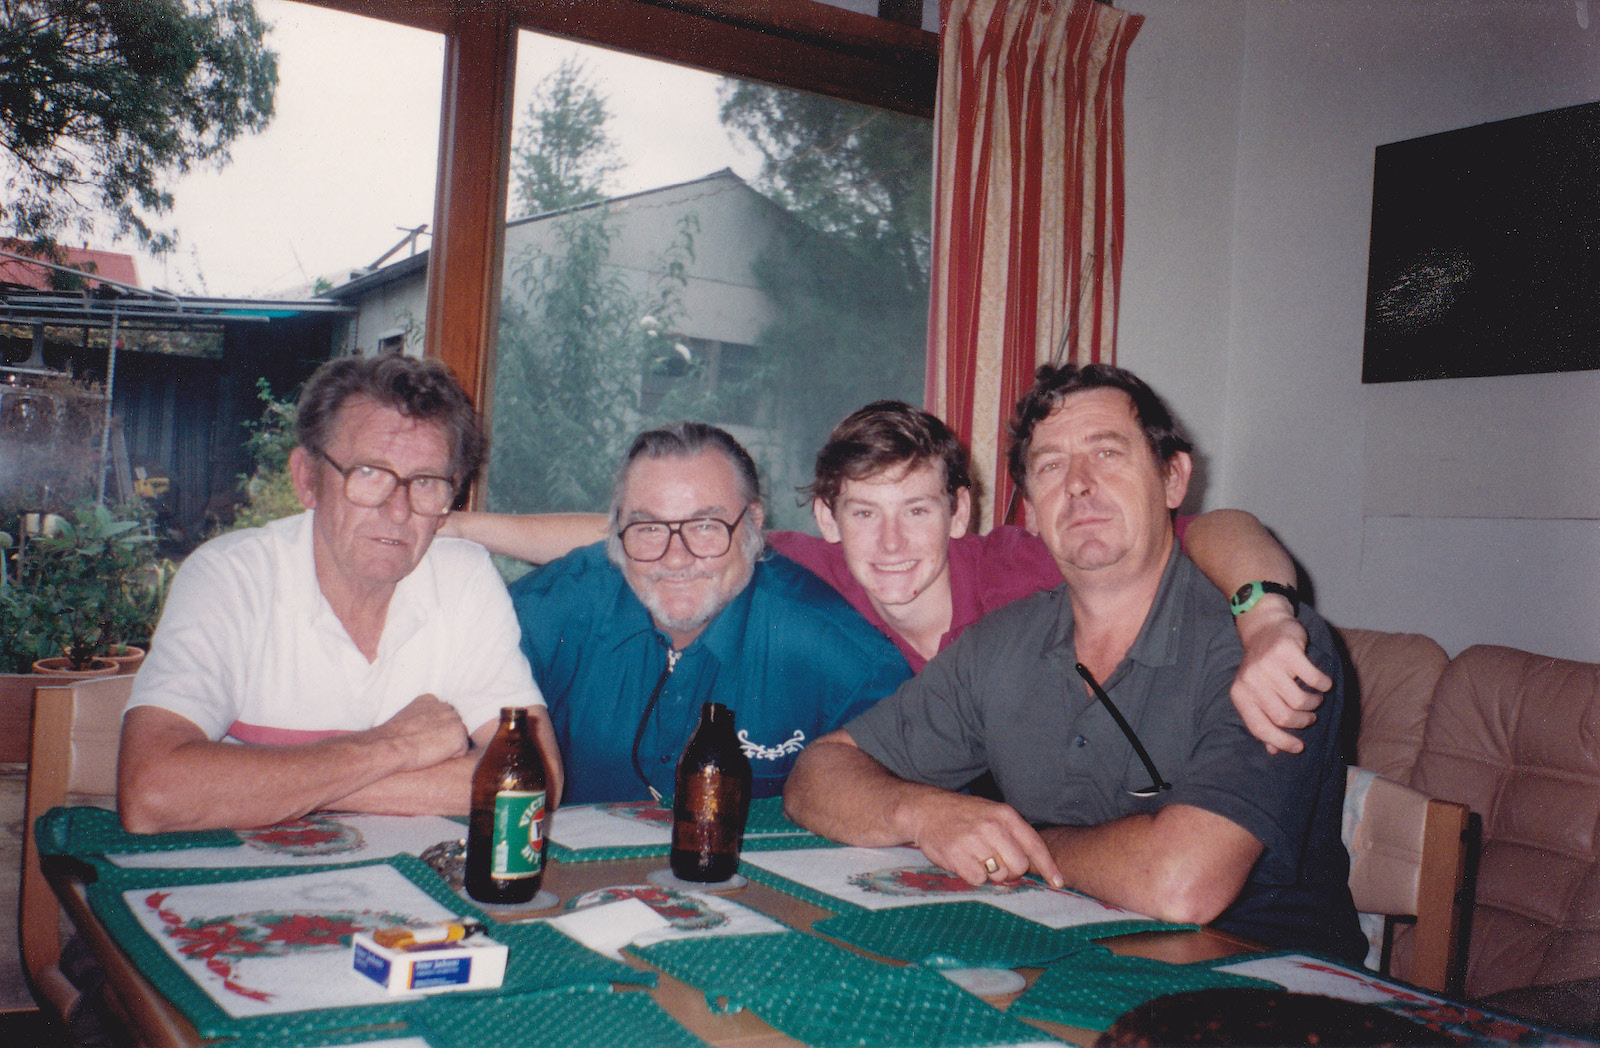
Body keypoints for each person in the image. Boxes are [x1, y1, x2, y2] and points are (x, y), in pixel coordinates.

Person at [783, 364, 1365, 962]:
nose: (1080, 484)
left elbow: (1180, 884)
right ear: (1032, 510)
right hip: (1058, 957)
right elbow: (819, 774)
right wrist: (925, 813)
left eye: (1107, 453)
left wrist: (1019, 843)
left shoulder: (1270, 651)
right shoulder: (1000, 644)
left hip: (1263, 979)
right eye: (1051, 466)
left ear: (1173, 478)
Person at [445, 403, 1326, 754]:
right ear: (830, 521)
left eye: (917, 509)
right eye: (865, 512)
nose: (893, 542)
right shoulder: (807, 568)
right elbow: (647, 532)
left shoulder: (1025, 566)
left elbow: (1215, 529)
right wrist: (448, 527)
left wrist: (1268, 618)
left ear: (961, 511)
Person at [118, 354, 561, 833]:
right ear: (307, 479)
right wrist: (395, 747)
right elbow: (153, 793)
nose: (398, 511)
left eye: (426, 482)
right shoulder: (231, 577)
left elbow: (533, 779)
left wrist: (280, 789)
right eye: (368, 472)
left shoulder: (464, 577)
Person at [507, 421, 911, 805]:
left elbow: (903, 801)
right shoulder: (557, 605)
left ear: (753, 523)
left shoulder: (839, 654)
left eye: (704, 527)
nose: (675, 558)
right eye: (649, 529)